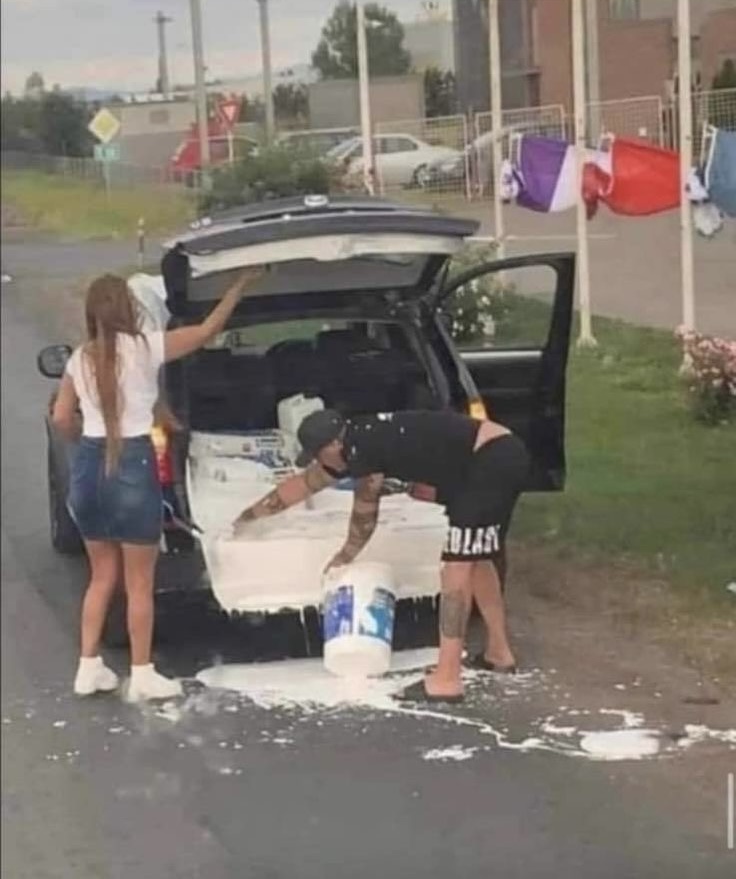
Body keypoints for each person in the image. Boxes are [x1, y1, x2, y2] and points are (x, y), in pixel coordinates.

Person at [53, 266, 263, 701]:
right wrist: (238, 287)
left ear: (91, 313)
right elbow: (206, 331)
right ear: (128, 309)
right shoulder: (147, 348)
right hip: (132, 464)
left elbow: (59, 418)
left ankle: (87, 668)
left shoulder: (79, 358)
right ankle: (143, 673)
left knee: (100, 577)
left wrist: (82, 438)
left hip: (90, 466)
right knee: (139, 584)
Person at [231, 408, 530, 704]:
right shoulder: (353, 441)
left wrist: (343, 556)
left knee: (455, 570)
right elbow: (303, 485)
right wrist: (247, 518)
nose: (318, 462)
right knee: (476, 558)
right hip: (490, 458)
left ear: (333, 446)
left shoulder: (364, 451)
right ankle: (499, 653)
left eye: (317, 455)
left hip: (490, 461)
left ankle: (446, 679)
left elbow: (364, 518)